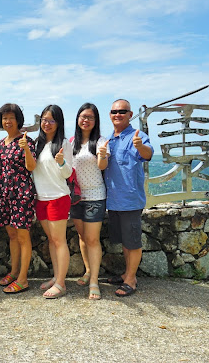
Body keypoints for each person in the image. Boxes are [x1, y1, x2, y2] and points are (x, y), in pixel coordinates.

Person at [102, 99, 153, 297]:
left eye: (122, 111)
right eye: (114, 111)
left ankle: (131, 279)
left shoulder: (137, 136)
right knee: (125, 240)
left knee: (133, 242)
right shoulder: (109, 139)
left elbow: (147, 154)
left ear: (130, 115)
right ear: (110, 114)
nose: (118, 114)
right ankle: (127, 273)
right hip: (113, 200)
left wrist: (140, 146)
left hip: (130, 199)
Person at [0, 103, 36, 294]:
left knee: (23, 235)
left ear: (18, 119)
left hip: (21, 193)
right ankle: (14, 271)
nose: (7, 121)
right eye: (4, 118)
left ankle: (23, 279)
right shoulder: (1, 144)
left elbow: (31, 167)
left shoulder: (27, 141)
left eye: (11, 117)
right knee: (12, 235)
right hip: (4, 192)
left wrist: (25, 149)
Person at [34, 104, 73, 299]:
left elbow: (67, 173)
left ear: (58, 123)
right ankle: (56, 277)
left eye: (51, 120)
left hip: (58, 197)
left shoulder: (64, 144)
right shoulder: (37, 144)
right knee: (52, 240)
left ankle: (61, 283)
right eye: (44, 120)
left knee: (59, 241)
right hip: (41, 198)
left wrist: (61, 162)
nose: (46, 124)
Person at [70, 103, 108, 300]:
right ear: (77, 119)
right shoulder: (70, 143)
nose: (86, 120)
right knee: (83, 237)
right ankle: (87, 271)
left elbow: (103, 165)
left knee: (92, 239)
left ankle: (94, 280)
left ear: (95, 121)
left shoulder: (100, 142)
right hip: (76, 197)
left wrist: (102, 155)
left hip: (95, 196)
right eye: (83, 116)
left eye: (90, 117)